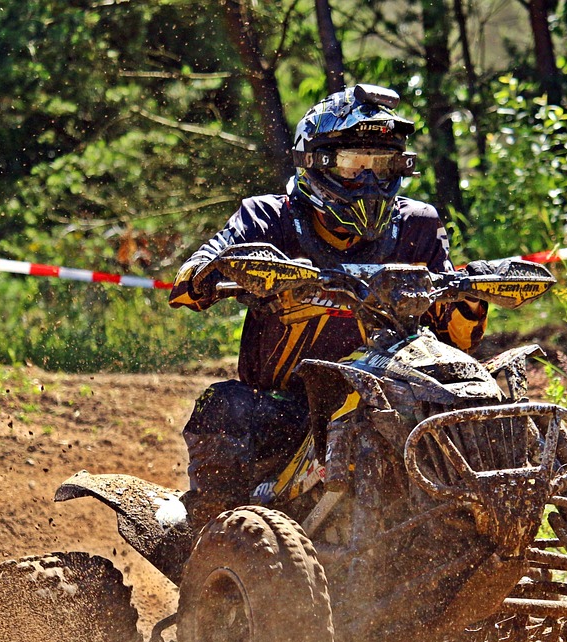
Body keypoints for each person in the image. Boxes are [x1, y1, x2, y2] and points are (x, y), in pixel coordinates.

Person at [169, 83, 488, 525]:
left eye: (384, 164)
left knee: (479, 407)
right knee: (224, 406)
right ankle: (211, 538)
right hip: (289, 408)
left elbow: (460, 340)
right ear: (315, 162)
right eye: (355, 164)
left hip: (393, 404)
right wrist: (210, 270)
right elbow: (190, 281)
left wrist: (468, 295)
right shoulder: (268, 217)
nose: (371, 179)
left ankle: (487, 525)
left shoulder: (417, 224)